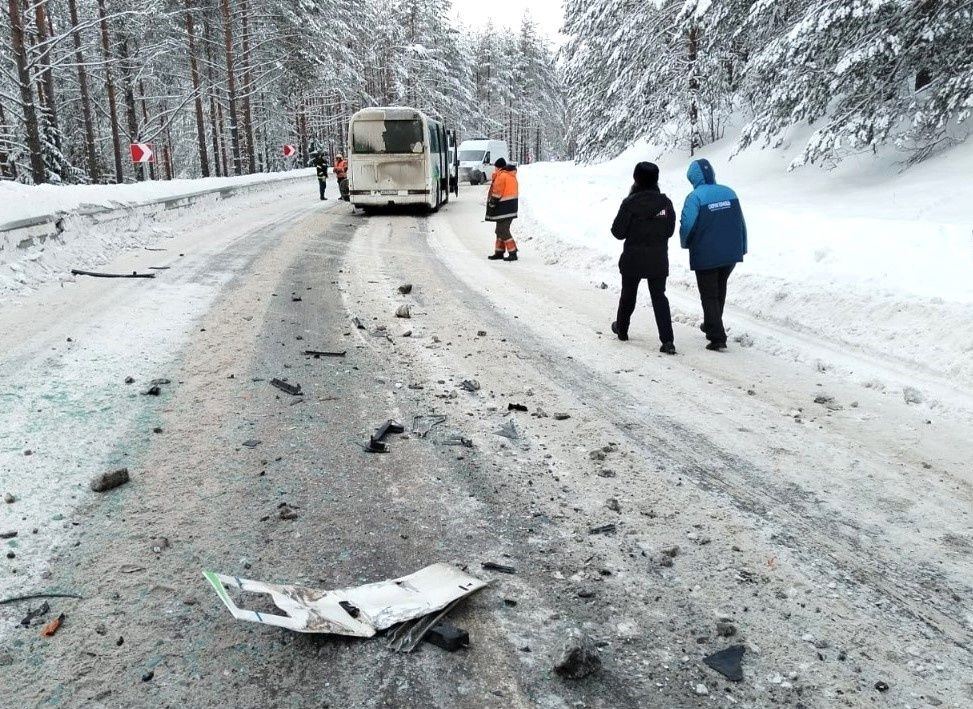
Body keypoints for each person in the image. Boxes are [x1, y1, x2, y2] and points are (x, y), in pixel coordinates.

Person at [679, 158, 747, 351]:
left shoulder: (695, 198)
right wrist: (742, 246)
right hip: (730, 253)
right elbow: (740, 222)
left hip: (706, 254)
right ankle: (711, 323)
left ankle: (717, 336)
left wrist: (685, 243)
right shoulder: (729, 192)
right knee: (719, 289)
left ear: (693, 178)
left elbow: (688, 225)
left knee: (709, 295)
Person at [609, 162, 677, 354]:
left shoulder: (630, 203)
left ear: (636, 179)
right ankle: (668, 340)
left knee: (628, 295)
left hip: (633, 258)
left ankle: (622, 329)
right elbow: (670, 230)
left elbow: (617, 232)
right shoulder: (665, 203)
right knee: (659, 298)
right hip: (658, 259)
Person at [485, 157, 519, 261]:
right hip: (510, 207)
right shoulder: (510, 175)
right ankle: (499, 252)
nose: (494, 169)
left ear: (498, 167)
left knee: (503, 230)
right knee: (499, 230)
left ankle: (513, 252)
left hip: (504, 208)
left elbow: (497, 192)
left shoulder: (502, 176)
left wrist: (492, 203)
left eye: (495, 167)